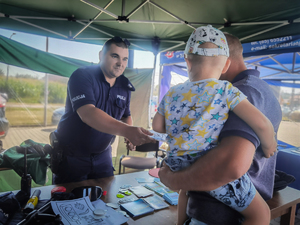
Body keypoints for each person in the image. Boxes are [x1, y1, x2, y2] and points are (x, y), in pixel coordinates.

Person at [153, 25, 277, 225]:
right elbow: (261, 123)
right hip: (208, 165)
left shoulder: (173, 92)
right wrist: (269, 144)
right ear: (226, 64)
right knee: (261, 214)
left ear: (187, 61)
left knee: (186, 190)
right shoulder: (227, 90)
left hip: (177, 162)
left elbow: (157, 126)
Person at [53, 36, 155, 184]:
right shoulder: (82, 76)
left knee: (105, 200)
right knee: (69, 202)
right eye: (115, 56)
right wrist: (127, 131)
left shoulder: (124, 86)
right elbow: (88, 113)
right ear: (101, 55)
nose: (120, 63)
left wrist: (129, 135)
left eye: (125, 59)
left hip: (103, 156)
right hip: (72, 156)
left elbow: (126, 115)